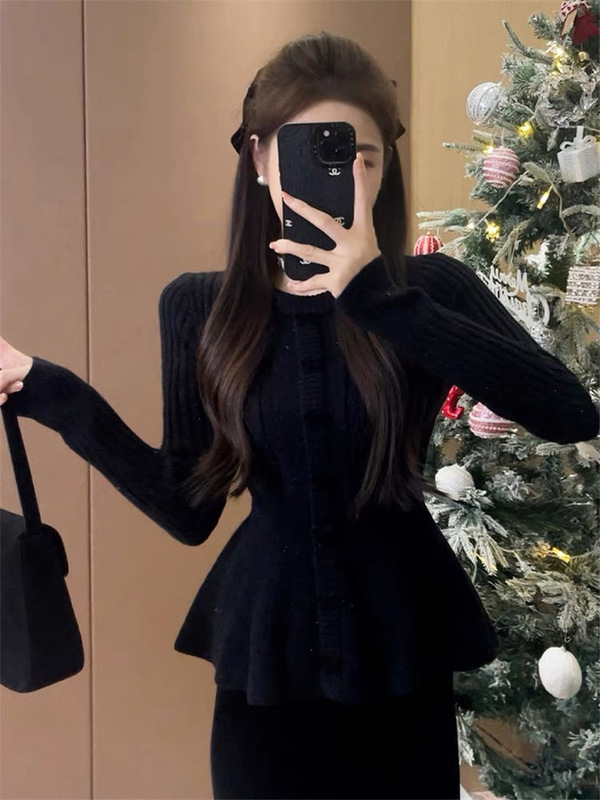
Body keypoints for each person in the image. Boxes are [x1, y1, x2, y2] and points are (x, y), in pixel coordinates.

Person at [1, 30, 598, 800]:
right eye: (312, 152)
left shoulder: (432, 290)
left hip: (402, 652)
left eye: (363, 156)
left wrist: (383, 302)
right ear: (258, 158)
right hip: (265, 666)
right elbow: (186, 509)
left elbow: (568, 411)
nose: (345, 175)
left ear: (387, 166)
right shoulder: (201, 307)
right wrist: (53, 392)